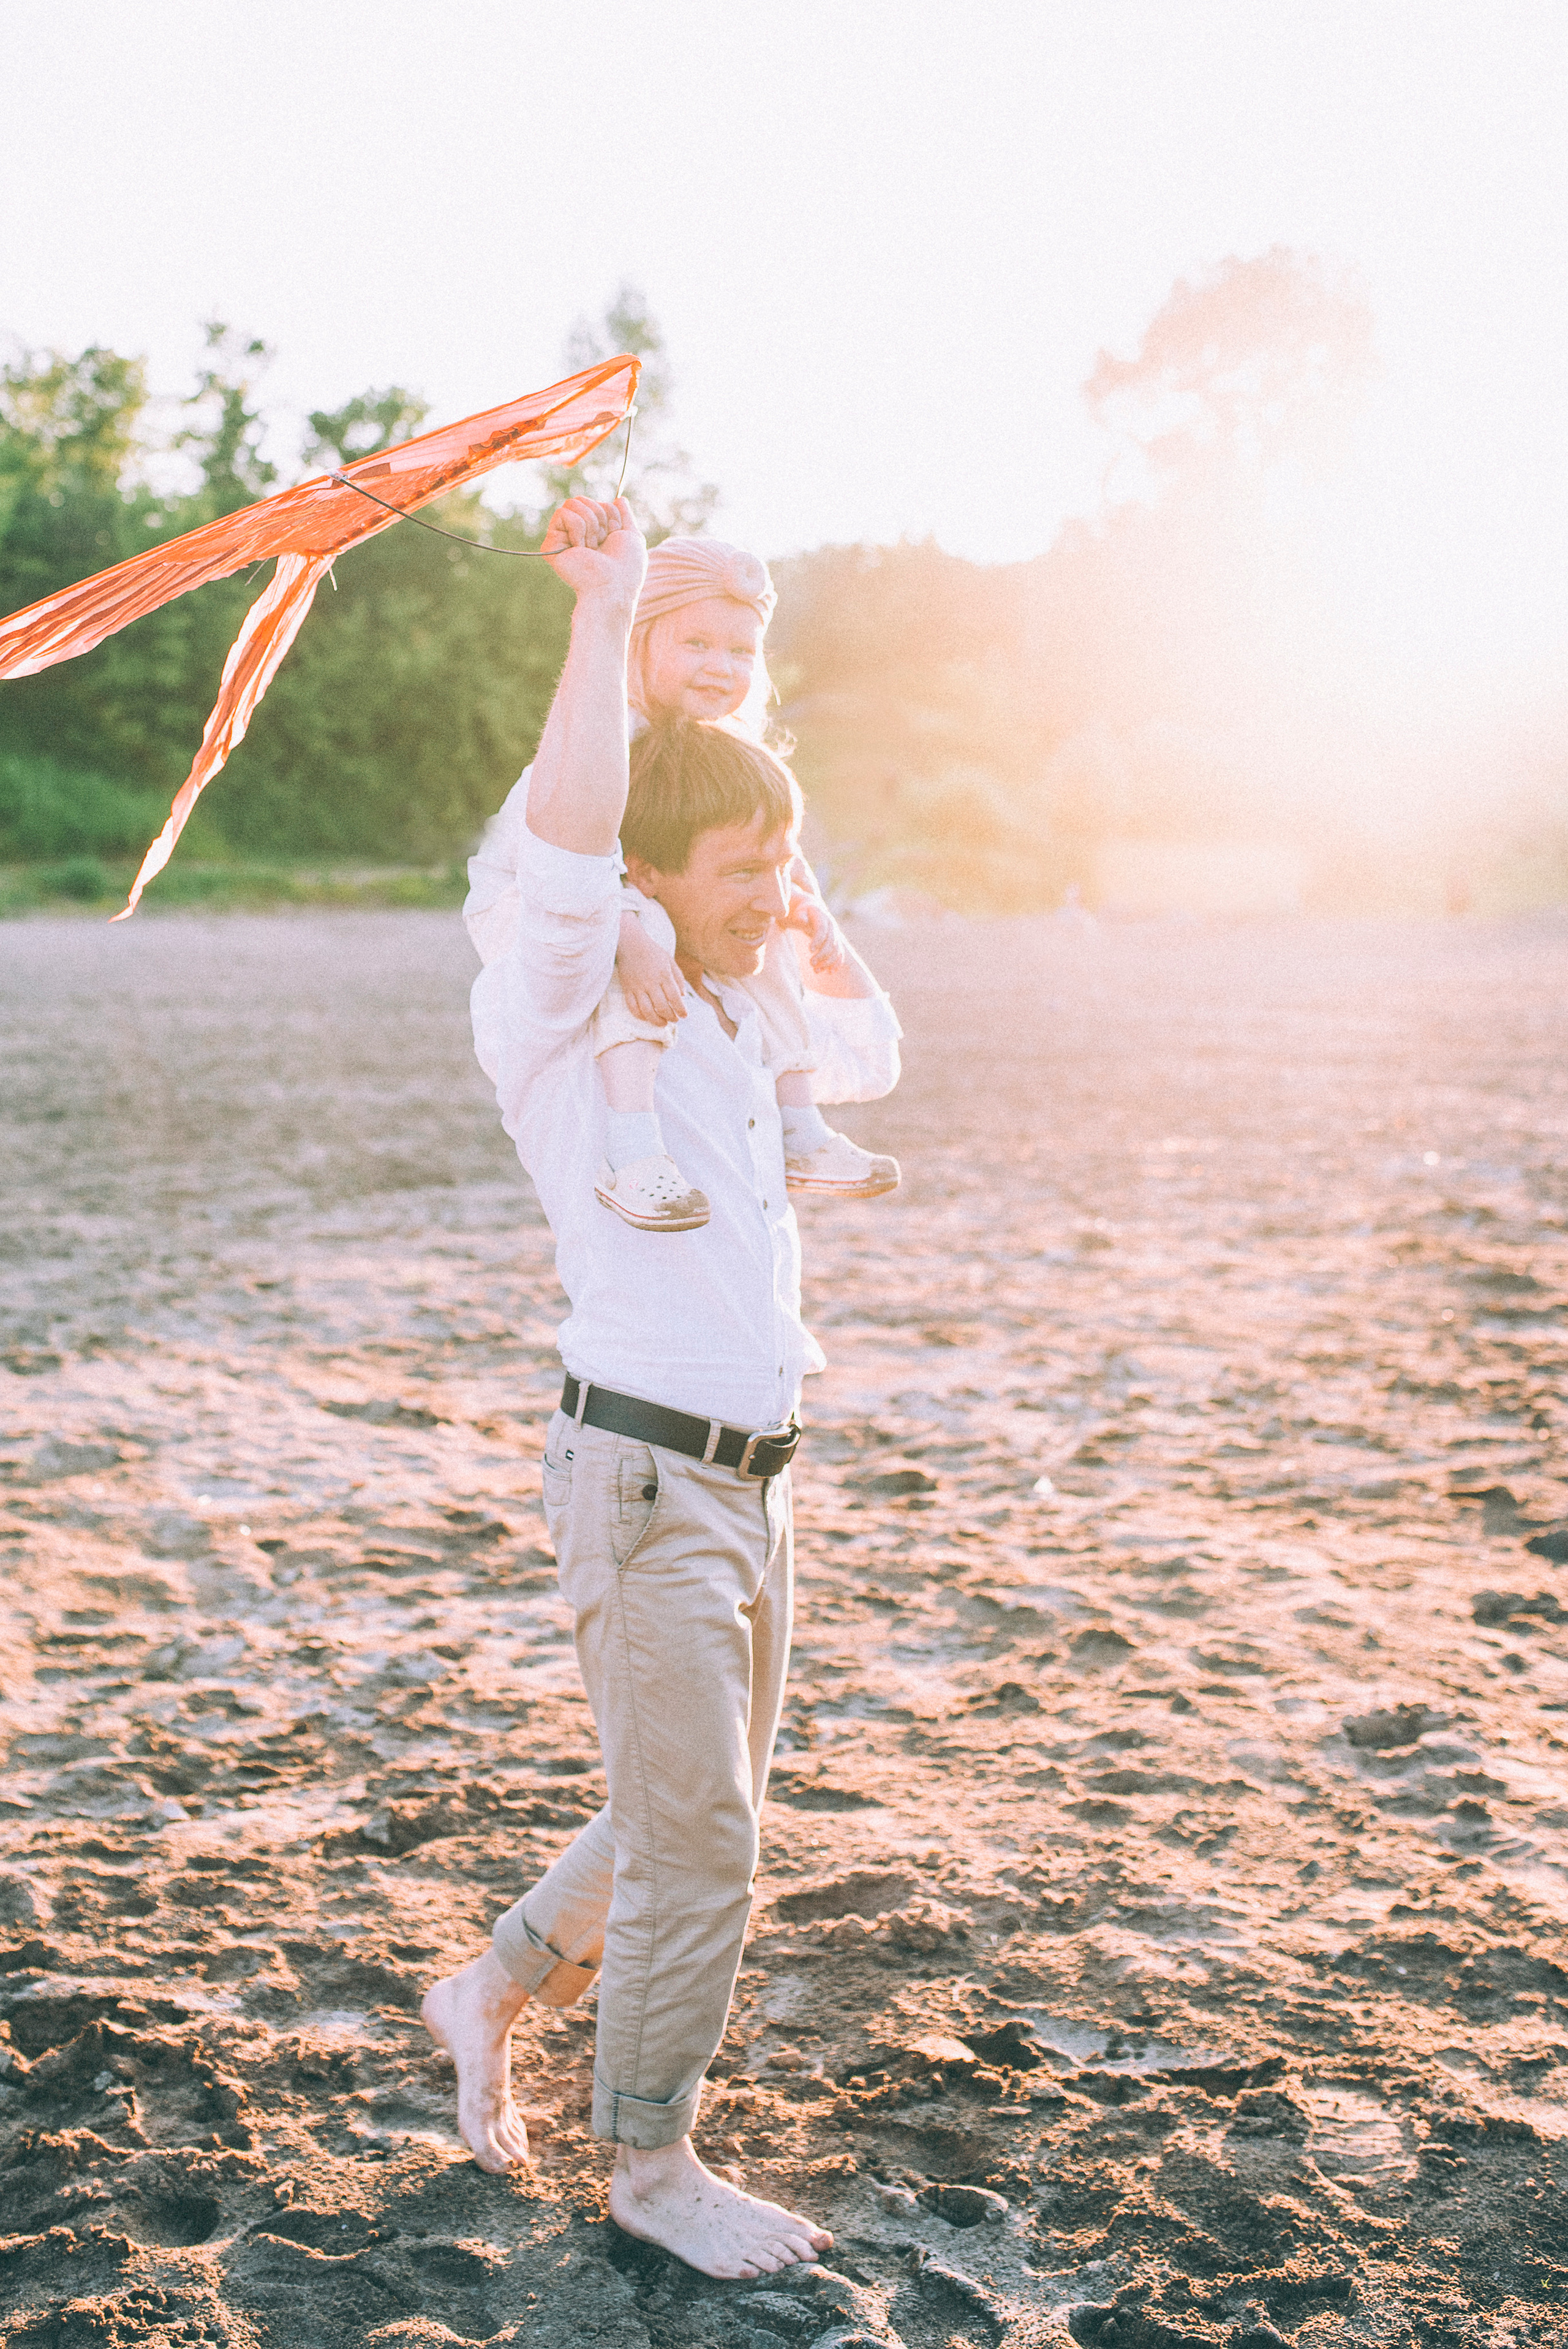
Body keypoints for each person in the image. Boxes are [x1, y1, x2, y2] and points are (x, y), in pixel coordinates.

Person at [422, 495, 903, 2282]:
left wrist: (778, 880)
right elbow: (562, 853)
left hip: (758, 1478)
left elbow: (865, 1044)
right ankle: (651, 2168)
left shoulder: (720, 1010)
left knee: (672, 1808)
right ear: (636, 879)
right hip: (639, 1479)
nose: (770, 903)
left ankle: (483, 1989)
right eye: (739, 876)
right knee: (706, 1852)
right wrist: (607, 620)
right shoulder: (560, 1008)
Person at [466, 532, 899, 1235]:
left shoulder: (724, 755)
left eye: (740, 652)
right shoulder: (600, 745)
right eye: (695, 644)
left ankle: (800, 1124)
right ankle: (634, 1148)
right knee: (652, 929)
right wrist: (628, 938)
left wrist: (806, 914)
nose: (720, 667)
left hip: (655, 903)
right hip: (548, 908)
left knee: (767, 930)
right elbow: (559, 874)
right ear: (636, 641)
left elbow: (767, 868)